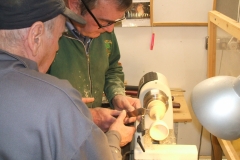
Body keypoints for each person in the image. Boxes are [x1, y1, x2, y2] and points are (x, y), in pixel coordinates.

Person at [0, 0, 136, 159]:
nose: (57, 48)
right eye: (58, 37)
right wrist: (114, 137)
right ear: (35, 36)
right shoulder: (56, 100)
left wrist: (115, 94)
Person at [48, 0, 141, 132]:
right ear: (75, 6)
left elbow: (112, 68)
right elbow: (33, 100)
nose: (110, 29)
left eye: (114, 21)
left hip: (91, 136)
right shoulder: (46, 36)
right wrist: (87, 115)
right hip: (60, 136)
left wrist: (116, 95)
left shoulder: (103, 30)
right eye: (105, 22)